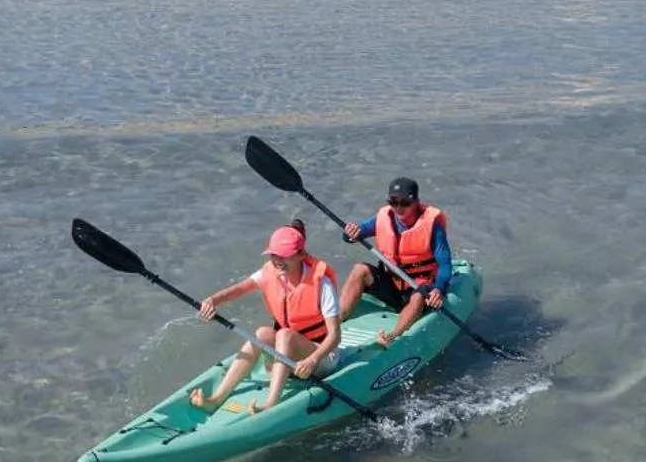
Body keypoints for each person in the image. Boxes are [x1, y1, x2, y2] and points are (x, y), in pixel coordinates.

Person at [190, 223, 340, 414]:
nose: (277, 261)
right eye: (273, 255)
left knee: (284, 335)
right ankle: (217, 398)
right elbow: (239, 289)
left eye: (284, 255)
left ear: (301, 255)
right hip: (291, 355)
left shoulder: (322, 283)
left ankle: (270, 404)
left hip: (322, 357)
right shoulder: (270, 272)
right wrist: (212, 301)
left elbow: (335, 336)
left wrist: (312, 359)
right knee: (261, 334)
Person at [337, 177, 451, 347]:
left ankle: (392, 336)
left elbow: (445, 264)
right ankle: (336, 321)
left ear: (416, 202)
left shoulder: (432, 226)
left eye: (405, 202)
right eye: (393, 201)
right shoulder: (384, 218)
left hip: (417, 286)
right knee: (360, 269)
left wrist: (439, 289)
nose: (398, 207)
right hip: (392, 284)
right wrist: (350, 233)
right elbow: (351, 236)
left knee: (420, 294)